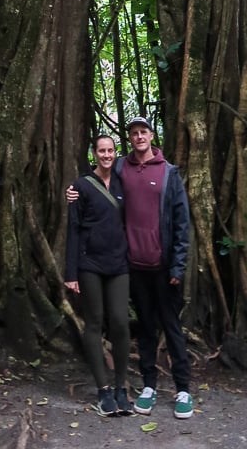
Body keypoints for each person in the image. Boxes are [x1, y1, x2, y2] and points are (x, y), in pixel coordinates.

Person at [67, 115, 193, 420]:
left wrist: (178, 266)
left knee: (170, 326)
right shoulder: (121, 168)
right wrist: (71, 193)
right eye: (134, 133)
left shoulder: (168, 173)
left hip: (162, 266)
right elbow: (93, 184)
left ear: (151, 135)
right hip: (132, 265)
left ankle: (183, 389)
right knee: (146, 327)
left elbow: (181, 222)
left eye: (143, 131)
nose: (139, 137)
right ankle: (147, 385)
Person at [64, 133, 133, 417]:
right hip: (89, 264)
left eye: (110, 151)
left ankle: (121, 388)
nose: (106, 155)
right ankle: (103, 390)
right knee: (94, 322)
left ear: (116, 153)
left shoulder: (122, 182)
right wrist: (71, 273)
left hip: (119, 264)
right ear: (94, 153)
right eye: (101, 151)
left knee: (119, 322)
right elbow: (74, 229)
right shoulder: (81, 186)